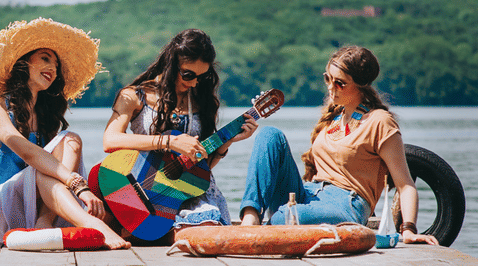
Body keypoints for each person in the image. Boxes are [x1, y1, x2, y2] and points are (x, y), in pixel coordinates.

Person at [239, 46, 439, 245]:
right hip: (308, 194)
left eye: (340, 83)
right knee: (269, 134)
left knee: (288, 216)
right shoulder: (335, 116)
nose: (330, 87)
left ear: (360, 85)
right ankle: (250, 218)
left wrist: (409, 229)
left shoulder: (379, 122)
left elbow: (405, 185)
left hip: (346, 204)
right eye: (328, 78)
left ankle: (268, 228)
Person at [101, 28, 257, 242]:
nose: (194, 83)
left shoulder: (202, 102)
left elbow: (200, 169)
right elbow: (110, 141)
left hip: (189, 193)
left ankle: (150, 234)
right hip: (143, 189)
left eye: (202, 77)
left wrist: (225, 143)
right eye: (188, 74)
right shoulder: (134, 96)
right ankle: (152, 230)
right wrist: (169, 142)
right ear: (171, 64)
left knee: (206, 231)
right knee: (201, 235)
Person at [0, 18, 130, 250]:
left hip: (35, 204)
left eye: (56, 65)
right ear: (24, 62)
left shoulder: (45, 116)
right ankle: (91, 224)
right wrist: (77, 185)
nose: (52, 68)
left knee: (68, 140)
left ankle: (46, 220)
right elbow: (27, 153)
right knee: (47, 164)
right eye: (45, 58)